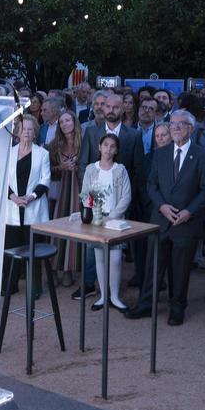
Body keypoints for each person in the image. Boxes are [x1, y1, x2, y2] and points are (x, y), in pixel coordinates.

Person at [126, 110, 205, 325]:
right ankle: (146, 304)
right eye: (172, 123)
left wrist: (189, 211)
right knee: (152, 265)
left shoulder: (203, 155)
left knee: (180, 268)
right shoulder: (161, 153)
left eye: (180, 124)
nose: (174, 127)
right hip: (161, 219)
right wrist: (162, 206)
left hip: (186, 222)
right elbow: (151, 185)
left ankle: (177, 307)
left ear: (191, 129)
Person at [81, 133, 132, 311]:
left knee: (116, 259)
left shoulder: (120, 170)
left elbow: (126, 196)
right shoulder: (90, 169)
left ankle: (115, 297)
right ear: (99, 147)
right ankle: (103, 296)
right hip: (96, 220)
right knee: (100, 259)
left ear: (116, 150)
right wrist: (96, 216)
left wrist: (112, 216)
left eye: (112, 146)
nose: (108, 149)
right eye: (105, 145)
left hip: (115, 220)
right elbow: (85, 195)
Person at [3, 116, 51, 298]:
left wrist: (30, 197)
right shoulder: (8, 153)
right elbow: (2, 180)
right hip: (12, 207)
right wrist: (14, 197)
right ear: (17, 132)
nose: (27, 133)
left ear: (35, 132)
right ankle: (9, 285)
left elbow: (45, 179)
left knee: (34, 249)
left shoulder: (43, 154)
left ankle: (34, 288)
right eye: (24, 129)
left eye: (30, 130)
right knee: (10, 249)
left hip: (34, 207)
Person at [47, 110, 82, 284]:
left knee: (75, 227)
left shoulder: (83, 142)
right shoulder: (54, 145)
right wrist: (61, 167)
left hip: (78, 189)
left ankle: (68, 270)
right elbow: (47, 170)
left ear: (74, 121)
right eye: (62, 122)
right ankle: (54, 268)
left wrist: (78, 168)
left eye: (68, 120)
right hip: (59, 191)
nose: (65, 124)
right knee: (57, 229)